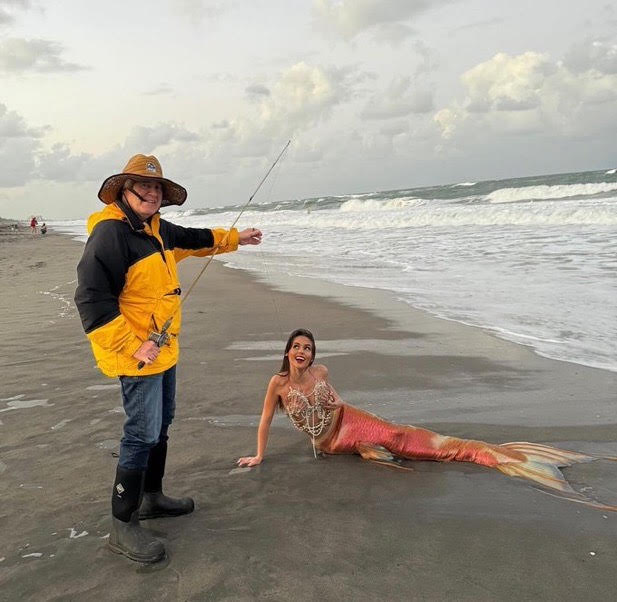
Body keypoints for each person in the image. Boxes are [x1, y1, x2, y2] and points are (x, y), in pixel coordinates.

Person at [75, 154, 262, 563]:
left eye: (157, 188)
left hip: (163, 349)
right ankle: (122, 525)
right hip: (136, 354)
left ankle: (152, 497)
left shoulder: (157, 230)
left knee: (162, 424)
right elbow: (91, 298)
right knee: (141, 432)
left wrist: (236, 238)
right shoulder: (111, 235)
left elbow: (195, 238)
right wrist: (132, 344)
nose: (151, 193)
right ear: (123, 191)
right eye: (143, 186)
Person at [237, 328, 617, 512]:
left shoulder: (321, 372)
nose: (303, 352)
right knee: (390, 449)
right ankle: (515, 460)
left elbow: (337, 401)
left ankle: (501, 457)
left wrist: (338, 401)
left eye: (309, 347)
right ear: (286, 351)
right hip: (330, 444)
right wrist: (258, 455)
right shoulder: (278, 383)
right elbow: (266, 421)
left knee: (408, 438)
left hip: (350, 422)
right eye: (298, 347)